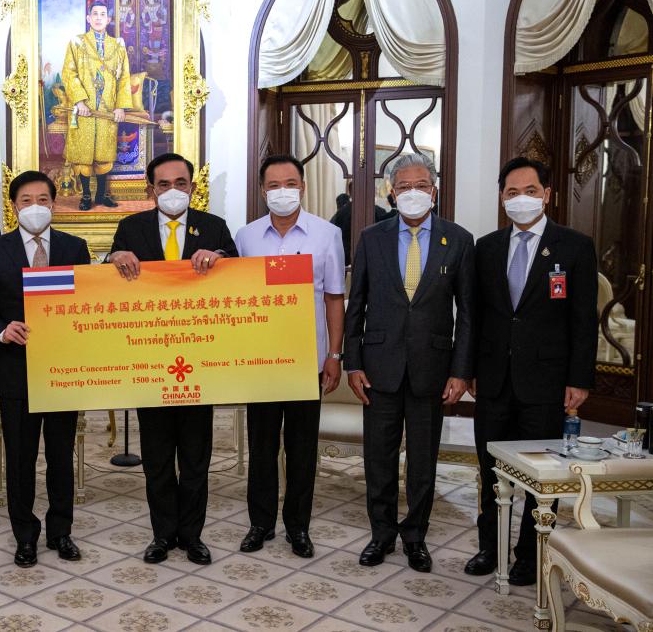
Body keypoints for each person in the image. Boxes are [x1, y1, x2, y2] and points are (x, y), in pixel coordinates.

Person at [464, 157, 597, 585]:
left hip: (546, 382)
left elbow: (583, 320)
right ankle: (490, 547)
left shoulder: (574, 246)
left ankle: (530, 552)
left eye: (530, 191)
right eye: (512, 192)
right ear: (501, 197)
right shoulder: (486, 247)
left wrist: (579, 379)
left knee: (541, 476)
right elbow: (475, 315)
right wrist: (469, 369)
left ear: (547, 194)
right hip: (493, 380)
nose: (520, 199)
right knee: (490, 472)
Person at [344, 153, 474, 573]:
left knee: (422, 461)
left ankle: (415, 536)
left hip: (431, 369)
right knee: (378, 458)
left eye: (420, 186)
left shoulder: (458, 239)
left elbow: (467, 313)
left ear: (433, 191)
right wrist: (352, 363)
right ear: (391, 192)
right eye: (403, 187)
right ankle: (381, 534)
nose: (412, 193)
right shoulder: (372, 237)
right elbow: (356, 305)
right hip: (378, 367)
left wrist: (460, 371)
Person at [108, 152, 238, 565]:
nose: (172, 191)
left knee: (196, 457)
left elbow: (239, 276)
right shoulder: (130, 228)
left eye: (180, 183)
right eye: (163, 184)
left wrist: (221, 260)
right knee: (158, 457)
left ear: (192, 187)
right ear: (151, 190)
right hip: (150, 362)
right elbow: (107, 276)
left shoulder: (214, 227)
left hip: (199, 360)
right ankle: (162, 535)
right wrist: (113, 259)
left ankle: (192, 535)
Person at [0, 171, 90, 568]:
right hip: (17, 370)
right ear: (14, 206)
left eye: (42, 199)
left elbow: (87, 302)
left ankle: (61, 531)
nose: (35, 207)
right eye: (26, 200)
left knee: (60, 456)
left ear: (54, 204)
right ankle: (25, 536)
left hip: (62, 370)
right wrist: (1, 331)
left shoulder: (74, 247)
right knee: (20, 459)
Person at [233, 155, 345, 558]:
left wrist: (334, 354)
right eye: (274, 185)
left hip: (306, 361)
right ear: (263, 191)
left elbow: (334, 297)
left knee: (301, 449)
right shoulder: (245, 237)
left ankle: (298, 527)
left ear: (303, 187)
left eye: (291, 183)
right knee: (261, 447)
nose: (283, 191)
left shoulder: (327, 234)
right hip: (261, 361)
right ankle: (260, 523)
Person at [62, 0, 132, 211]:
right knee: (83, 155)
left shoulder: (117, 46)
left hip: (107, 108)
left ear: (108, 19)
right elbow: (69, 73)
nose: (99, 18)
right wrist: (80, 100)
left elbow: (124, 78)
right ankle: (85, 196)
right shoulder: (77, 43)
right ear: (88, 18)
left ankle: (101, 195)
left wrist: (120, 106)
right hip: (84, 109)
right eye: (95, 14)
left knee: (104, 153)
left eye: (103, 14)